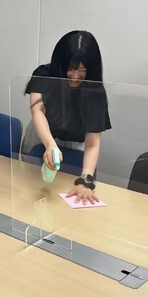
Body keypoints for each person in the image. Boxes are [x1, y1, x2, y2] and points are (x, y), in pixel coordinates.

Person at [25, 30, 111, 204]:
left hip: (77, 143)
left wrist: (85, 181)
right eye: (70, 69)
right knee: (31, 187)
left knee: (66, 190)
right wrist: (50, 144)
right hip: (43, 135)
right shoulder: (44, 74)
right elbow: (37, 111)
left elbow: (92, 144)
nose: (75, 76)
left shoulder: (95, 91)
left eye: (82, 71)